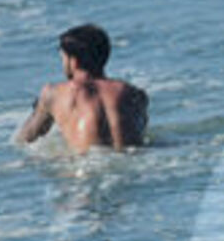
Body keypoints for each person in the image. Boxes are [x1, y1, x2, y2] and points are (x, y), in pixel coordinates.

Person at [14, 24, 148, 153]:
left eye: (63, 57)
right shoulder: (135, 94)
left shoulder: (53, 93)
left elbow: (25, 140)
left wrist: (40, 107)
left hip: (87, 165)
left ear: (73, 61)